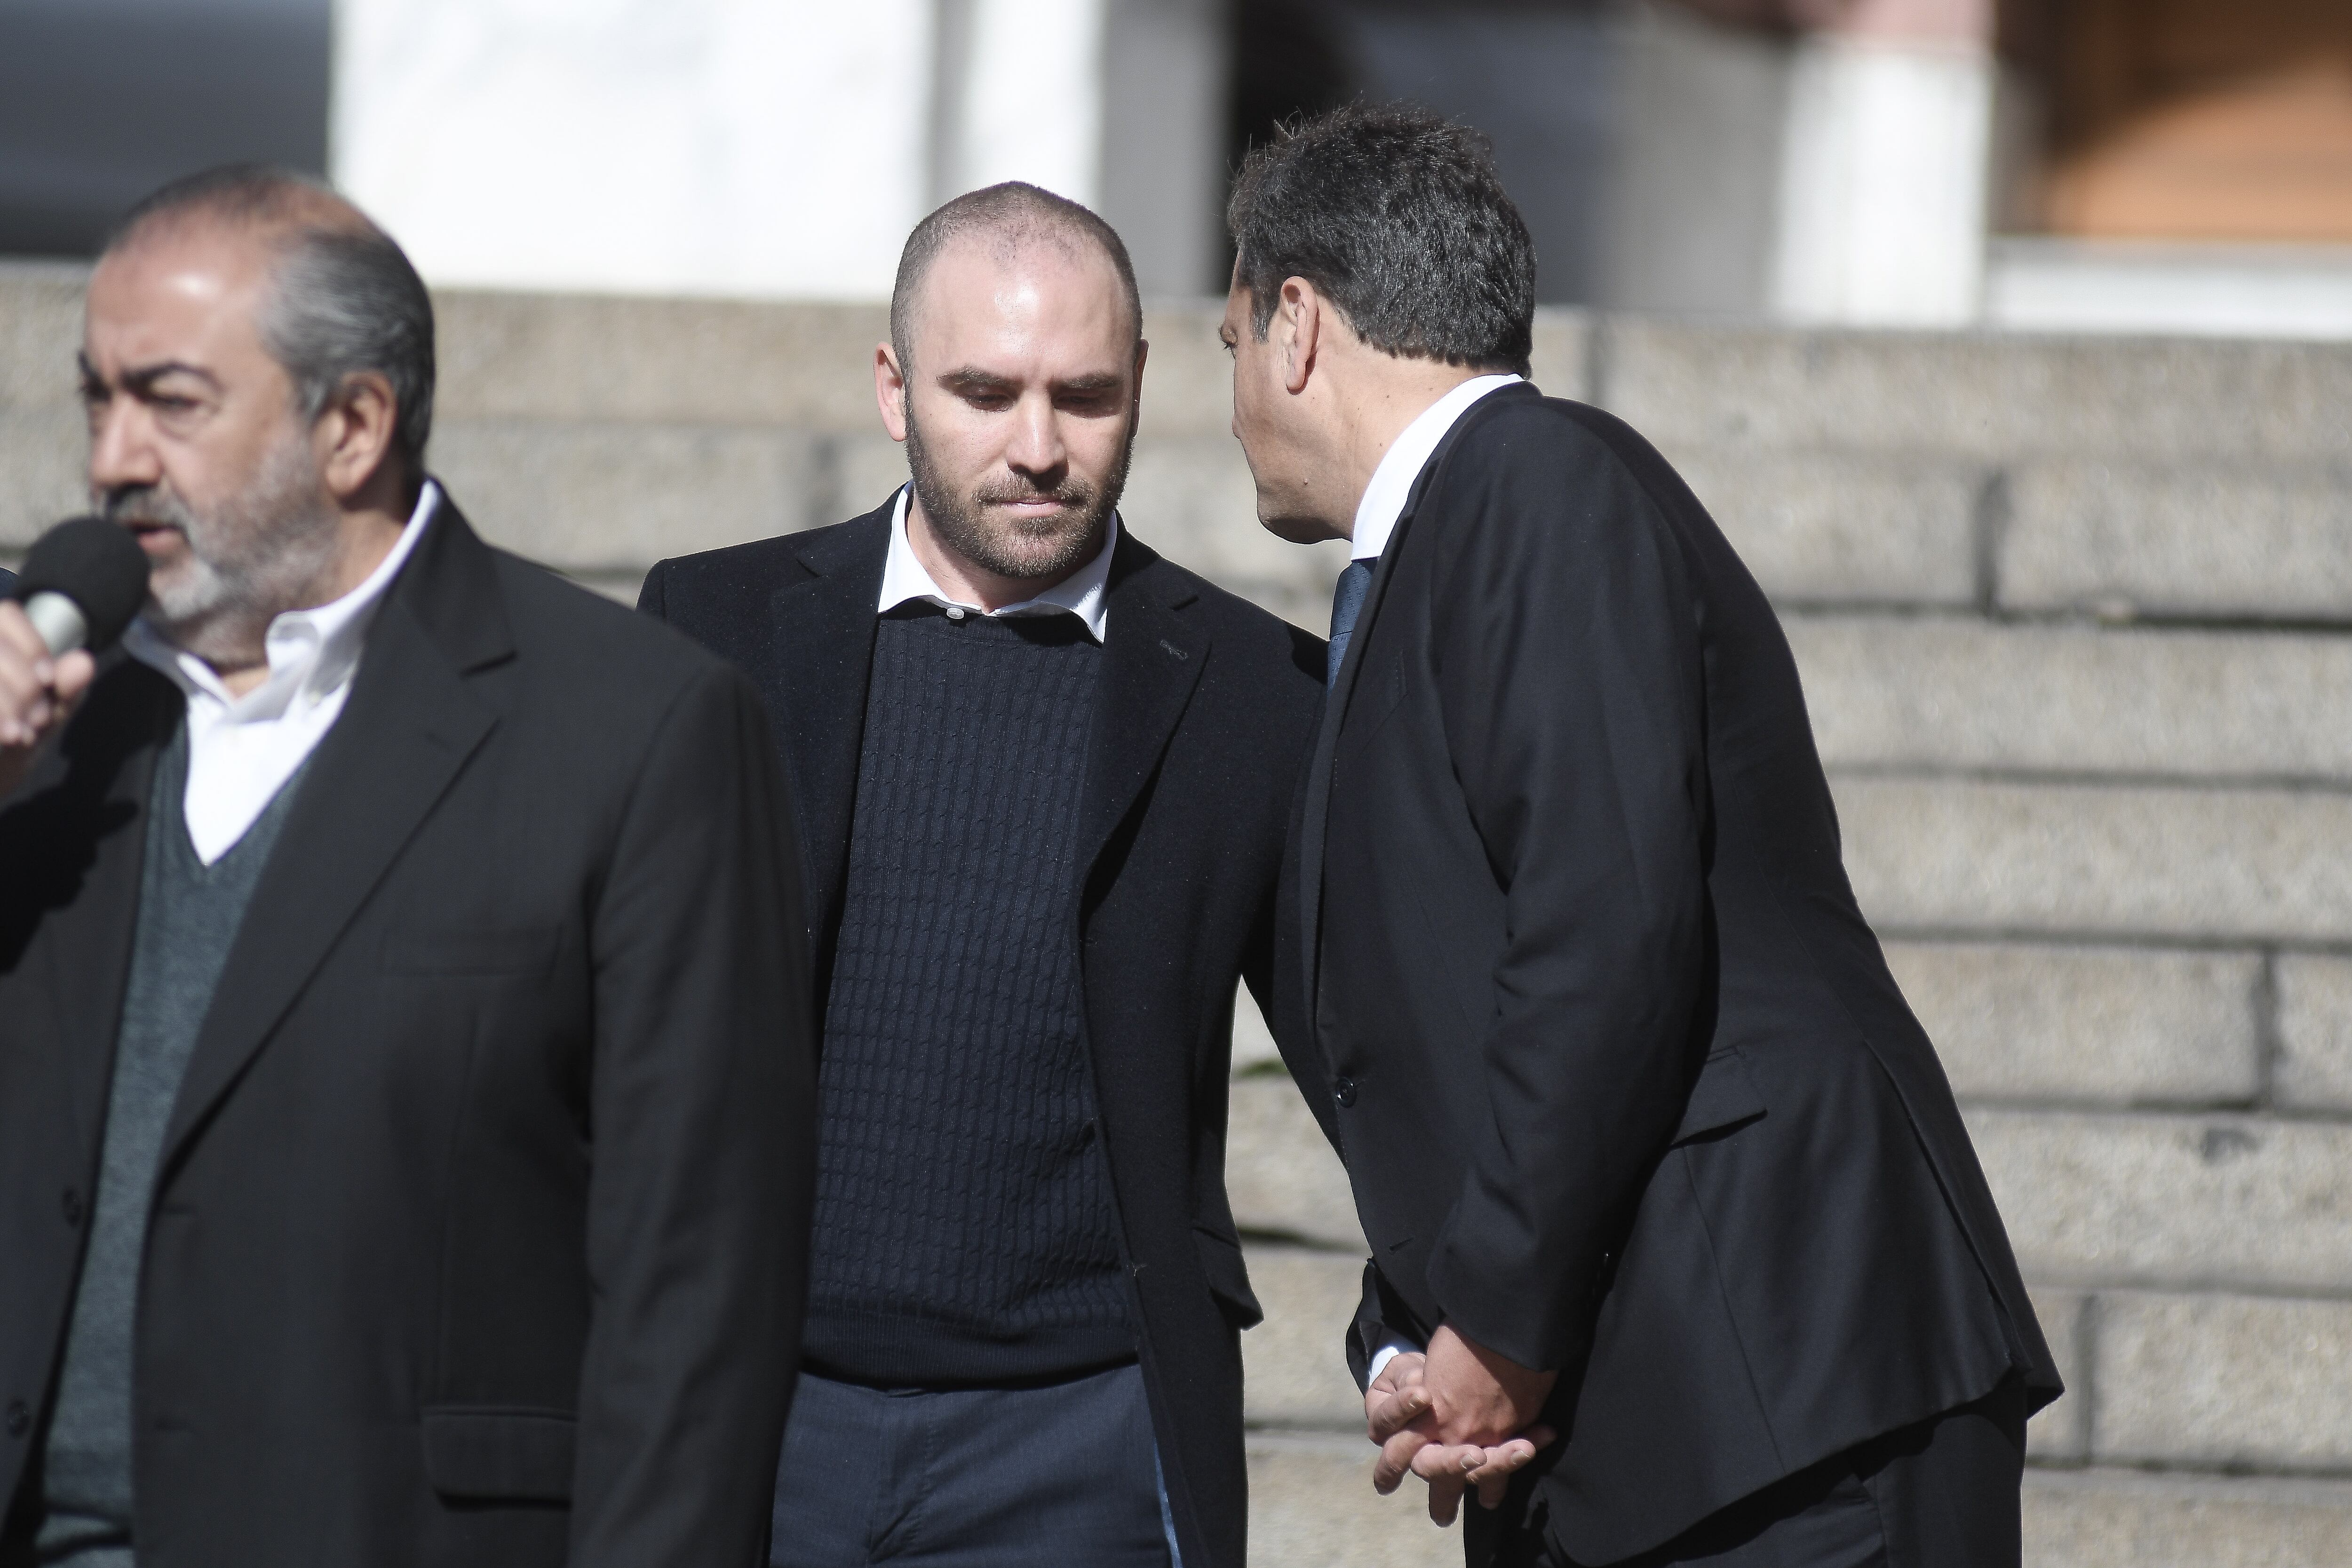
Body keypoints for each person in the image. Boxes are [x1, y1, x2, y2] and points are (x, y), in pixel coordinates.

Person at [1225, 107, 2063, 1568]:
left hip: (1783, 1396)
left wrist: (1490, 1325)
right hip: (1646, 1427)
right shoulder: (1452, 543)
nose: (1233, 394)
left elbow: (1605, 926)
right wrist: (1413, 1333)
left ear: (1296, 326)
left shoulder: (1534, 484)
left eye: (1230, 339)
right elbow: (1454, 1010)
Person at [0, 166, 816, 1568]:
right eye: (97, 397)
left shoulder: (630, 728)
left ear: (352, 424)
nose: (116, 455)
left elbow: (695, 1297)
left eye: (173, 401)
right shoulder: (44, 721)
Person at [639, 181, 1324, 1568]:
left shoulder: (1255, 690)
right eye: (983, 390)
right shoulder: (713, 627)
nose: (1037, 448)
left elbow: (1373, 1045)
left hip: (1080, 1439)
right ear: (894, 390)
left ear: (1142, 384)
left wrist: (1495, 1308)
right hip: (758, 1413)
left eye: (1082, 396)